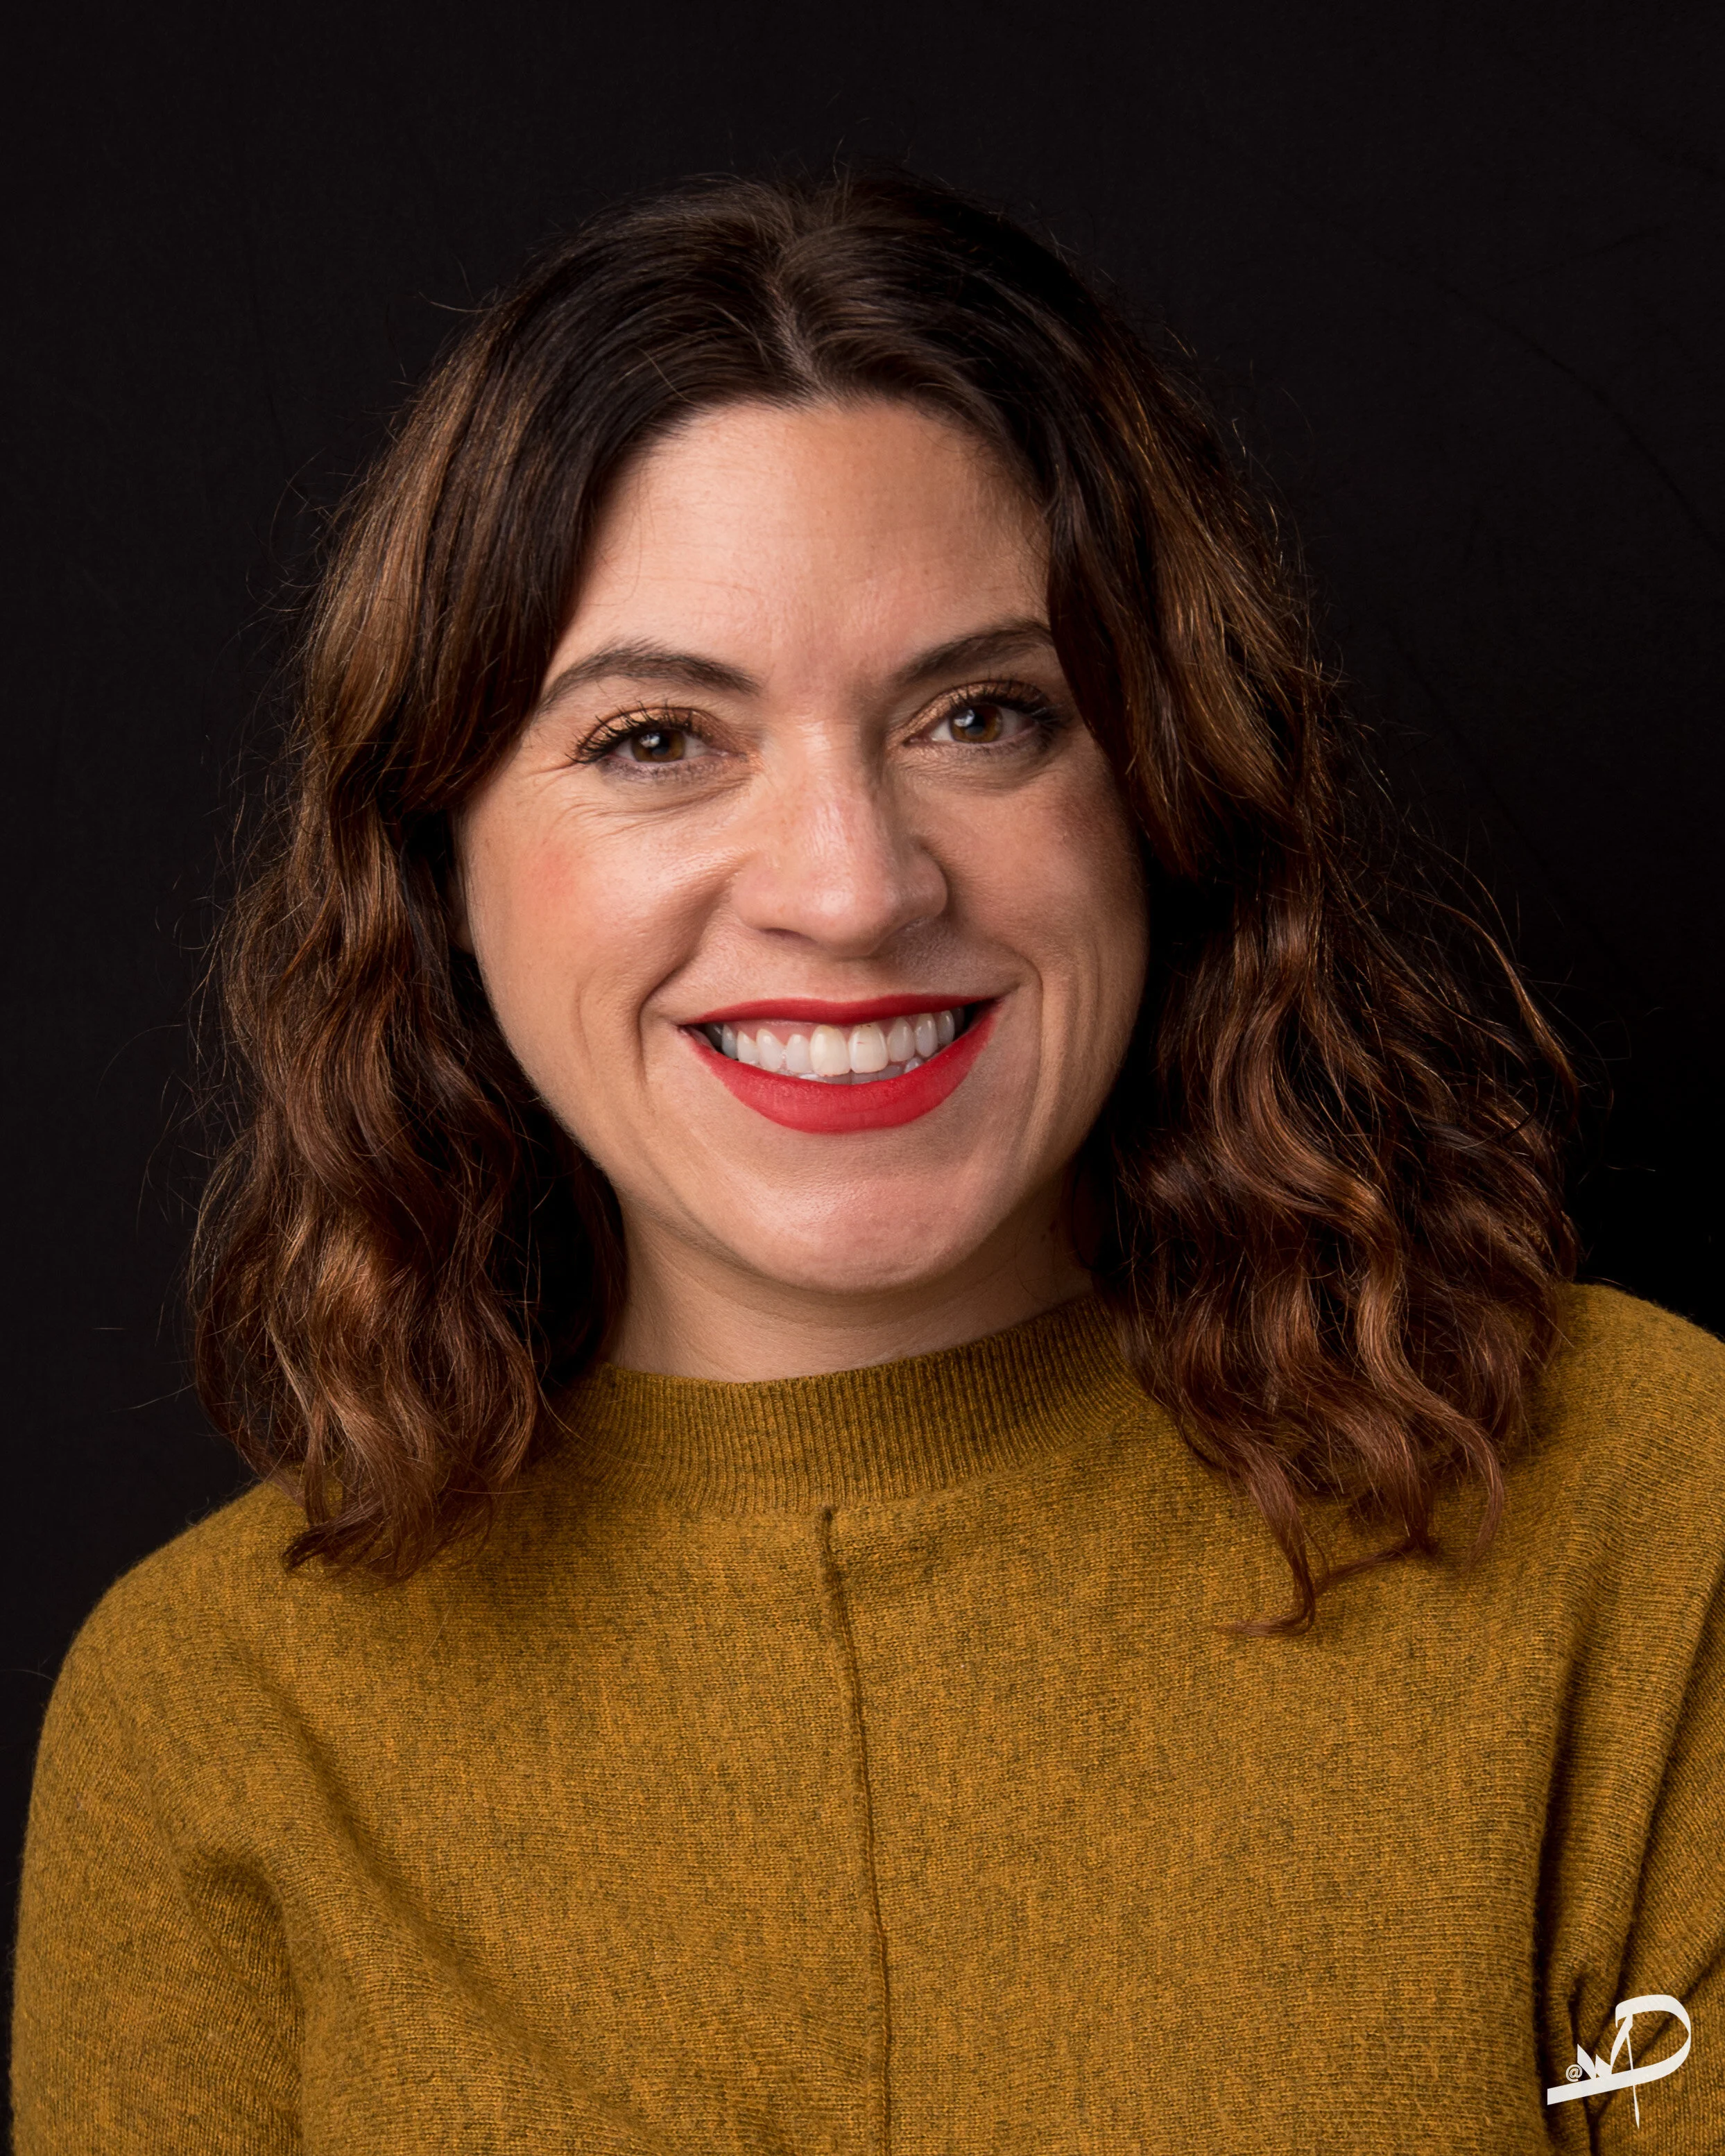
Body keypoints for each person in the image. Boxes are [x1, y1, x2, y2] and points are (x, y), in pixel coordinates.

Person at [11, 169, 1722, 2154]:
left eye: (982, 716)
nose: (850, 885)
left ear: (1167, 792)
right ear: (436, 864)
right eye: (657, 739)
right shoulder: (210, 1721)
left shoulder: (1640, 1512)